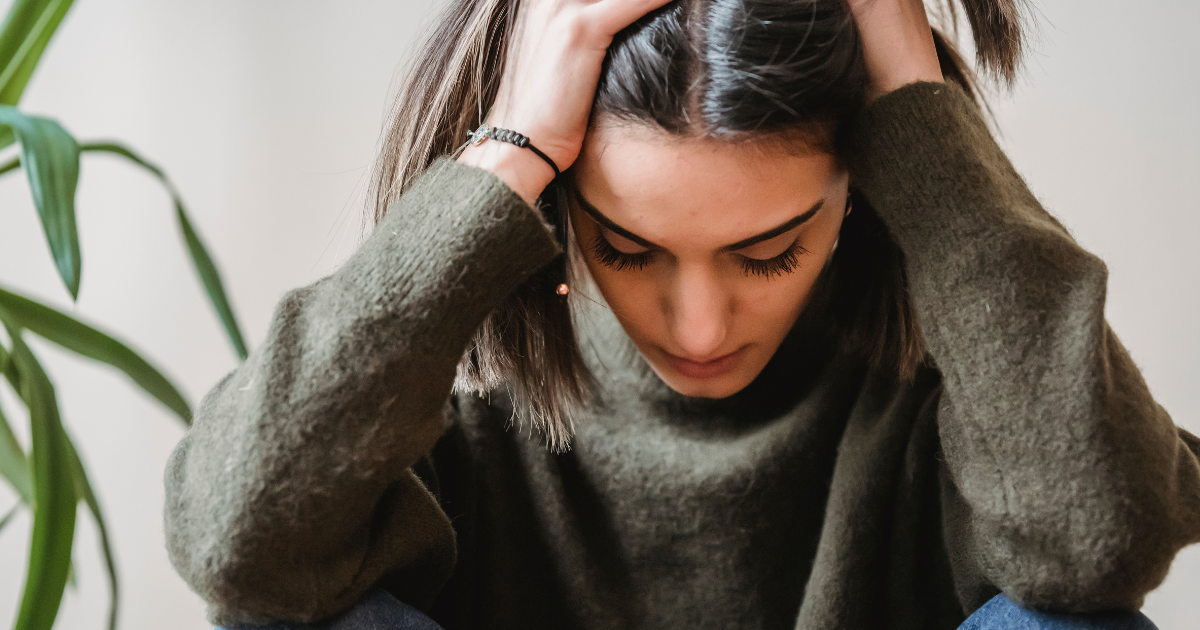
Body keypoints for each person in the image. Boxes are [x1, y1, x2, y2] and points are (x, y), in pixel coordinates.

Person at [162, 0, 1200, 627]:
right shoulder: (451, 399)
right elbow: (238, 543)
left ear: (859, 188)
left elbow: (1100, 540)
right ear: (561, 199)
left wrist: (920, 117)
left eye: (768, 252)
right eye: (627, 247)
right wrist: (508, 149)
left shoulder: (968, 402)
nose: (698, 330)